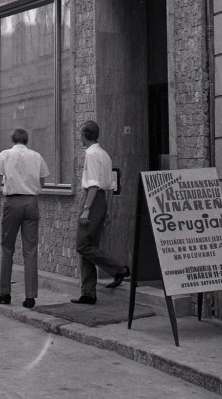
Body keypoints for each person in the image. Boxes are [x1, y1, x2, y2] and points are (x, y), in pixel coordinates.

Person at [0, 128, 49, 309]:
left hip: (12, 203)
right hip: (31, 203)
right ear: (27, 140)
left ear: (12, 139)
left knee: (7, 249)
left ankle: (4, 292)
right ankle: (30, 297)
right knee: (30, 250)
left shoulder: (4, 155)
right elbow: (42, 182)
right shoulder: (37, 156)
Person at [71, 120, 130, 304]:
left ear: (84, 135)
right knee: (89, 247)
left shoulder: (91, 154)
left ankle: (118, 269)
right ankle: (88, 293)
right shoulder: (104, 154)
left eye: (80, 134)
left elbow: (94, 184)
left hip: (92, 199)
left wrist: (86, 209)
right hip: (101, 200)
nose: (80, 138)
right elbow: (110, 185)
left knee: (82, 246)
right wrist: (107, 210)